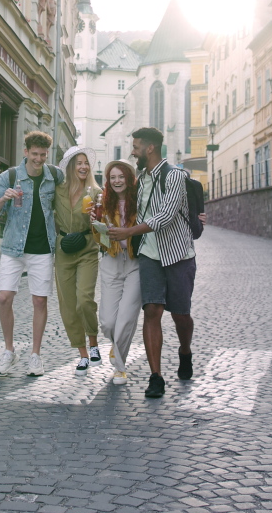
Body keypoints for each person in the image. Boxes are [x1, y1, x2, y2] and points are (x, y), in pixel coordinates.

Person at [108, 127, 196, 399]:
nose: (132, 151)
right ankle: (155, 377)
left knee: (181, 315)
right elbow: (126, 202)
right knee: (152, 312)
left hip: (178, 255)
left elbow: (166, 216)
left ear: (150, 148)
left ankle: (185, 351)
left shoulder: (176, 176)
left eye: (135, 147)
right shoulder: (141, 179)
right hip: (149, 255)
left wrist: (129, 233)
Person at [0, 130, 64, 377]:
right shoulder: (10, 176)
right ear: (25, 152)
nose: (39, 159)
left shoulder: (55, 176)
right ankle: (9, 351)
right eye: (35, 154)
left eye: (43, 154)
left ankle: (35, 355)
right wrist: (4, 199)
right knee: (4, 297)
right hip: (13, 247)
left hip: (42, 249)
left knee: (39, 300)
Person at [92, 159, 142, 385]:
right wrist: (96, 225)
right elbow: (100, 240)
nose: (117, 181)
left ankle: (119, 369)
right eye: (112, 178)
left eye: (121, 177)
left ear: (130, 179)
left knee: (126, 318)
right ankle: (116, 346)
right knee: (108, 322)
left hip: (135, 262)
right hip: (111, 261)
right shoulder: (103, 202)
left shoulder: (140, 201)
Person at [54, 146, 100, 374]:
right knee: (68, 305)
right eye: (79, 163)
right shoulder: (57, 190)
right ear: (71, 167)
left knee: (84, 299)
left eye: (86, 163)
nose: (83, 167)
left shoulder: (95, 192)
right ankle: (82, 354)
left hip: (87, 248)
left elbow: (105, 222)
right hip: (63, 250)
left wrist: (97, 216)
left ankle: (93, 344)